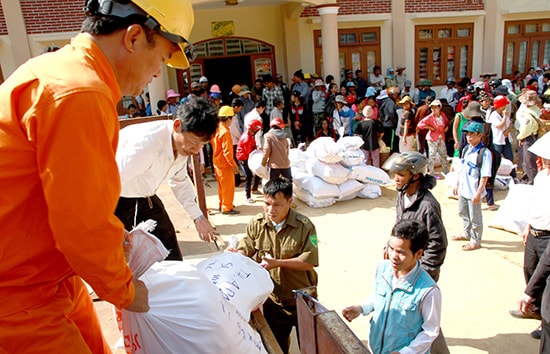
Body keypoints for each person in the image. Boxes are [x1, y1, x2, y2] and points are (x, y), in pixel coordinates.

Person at [0, 0, 195, 351]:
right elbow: (81, 221)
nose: (157, 72)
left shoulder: (60, 71)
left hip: (49, 274)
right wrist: (125, 289)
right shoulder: (80, 93)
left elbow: (65, 197)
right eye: (163, 59)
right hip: (17, 295)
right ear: (134, 37)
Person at [116, 98, 219, 260]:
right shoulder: (145, 146)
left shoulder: (183, 146)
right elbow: (108, 182)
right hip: (114, 198)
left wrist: (198, 218)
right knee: (120, 254)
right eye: (193, 142)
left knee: (167, 242)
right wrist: (108, 224)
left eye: (202, 145)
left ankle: (176, 279)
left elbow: (179, 181)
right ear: (177, 125)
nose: (195, 150)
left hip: (145, 196)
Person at [231, 177, 319, 353]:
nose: (271, 210)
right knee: (276, 346)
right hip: (274, 301)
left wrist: (277, 263)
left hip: (302, 300)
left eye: (277, 205)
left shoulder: (306, 226)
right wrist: (235, 254)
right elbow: (246, 247)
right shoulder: (257, 224)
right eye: (267, 203)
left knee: (310, 346)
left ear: (290, 201)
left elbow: (309, 261)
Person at [342, 220, 441, 354]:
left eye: (401, 252)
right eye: (391, 248)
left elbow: (430, 331)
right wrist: (361, 308)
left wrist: (405, 352)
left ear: (418, 254)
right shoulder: (383, 268)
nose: (393, 256)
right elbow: (378, 296)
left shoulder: (428, 291)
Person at [510, 156, 550, 341]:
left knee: (545, 280)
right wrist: (528, 226)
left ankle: (546, 321)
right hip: (534, 232)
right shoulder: (541, 177)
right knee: (530, 271)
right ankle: (533, 309)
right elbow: (536, 204)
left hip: (547, 237)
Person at [452, 121, 492, 251]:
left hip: (473, 191)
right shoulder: (466, 149)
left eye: (472, 134)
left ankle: (475, 240)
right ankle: (466, 233)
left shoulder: (484, 153)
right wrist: (457, 183)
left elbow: (485, 175)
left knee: (475, 217)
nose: (469, 137)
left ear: (480, 135)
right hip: (464, 189)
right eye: (468, 134)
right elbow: (462, 169)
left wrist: (479, 192)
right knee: (463, 212)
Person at [211, 105, 240, 215]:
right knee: (228, 186)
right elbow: (227, 151)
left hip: (217, 162)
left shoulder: (217, 129)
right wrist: (233, 164)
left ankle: (222, 203)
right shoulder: (225, 132)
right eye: (231, 118)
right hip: (225, 163)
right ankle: (227, 207)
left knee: (221, 185)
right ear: (228, 118)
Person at [417, 99, 450, 177]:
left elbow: (447, 123)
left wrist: (446, 128)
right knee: (432, 156)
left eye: (435, 107)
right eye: (432, 107)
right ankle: (431, 172)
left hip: (441, 137)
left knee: (443, 154)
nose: (433, 109)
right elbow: (420, 124)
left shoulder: (443, 115)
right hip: (432, 138)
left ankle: (445, 170)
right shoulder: (429, 117)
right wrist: (429, 127)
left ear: (439, 108)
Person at [237, 119, 263, 203]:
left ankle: (254, 189)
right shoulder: (246, 138)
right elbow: (249, 152)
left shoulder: (251, 135)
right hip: (244, 158)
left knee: (258, 171)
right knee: (249, 177)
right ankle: (247, 196)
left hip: (249, 156)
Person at [262, 117, 292, 181]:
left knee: (273, 186)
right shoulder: (285, 137)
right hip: (285, 165)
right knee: (288, 184)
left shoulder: (268, 136)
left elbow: (266, 150)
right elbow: (287, 151)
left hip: (274, 166)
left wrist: (263, 162)